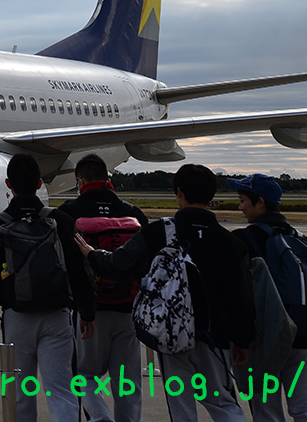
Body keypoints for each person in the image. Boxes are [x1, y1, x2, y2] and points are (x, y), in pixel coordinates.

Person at [77, 163, 254, 422]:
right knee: (223, 403)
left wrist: (93, 255)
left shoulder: (161, 232)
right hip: (216, 337)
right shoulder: (231, 242)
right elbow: (242, 297)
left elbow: (119, 266)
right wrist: (243, 338)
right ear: (211, 195)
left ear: (179, 192)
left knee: (181, 407)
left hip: (173, 334)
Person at [0, 153, 96, 422]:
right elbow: (78, 270)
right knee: (62, 391)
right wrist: (87, 313)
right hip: (57, 315)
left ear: (8, 183)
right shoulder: (60, 220)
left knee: (19, 393)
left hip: (17, 317)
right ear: (40, 184)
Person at [57, 154, 148, 422]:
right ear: (107, 178)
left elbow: (66, 265)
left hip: (90, 312)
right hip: (128, 310)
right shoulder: (131, 212)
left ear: (80, 180)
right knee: (128, 381)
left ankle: (99, 418)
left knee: (84, 375)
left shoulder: (69, 213)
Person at [228, 173, 307, 422]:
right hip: (302, 334)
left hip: (265, 339)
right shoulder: (298, 238)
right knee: (302, 407)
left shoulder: (244, 238)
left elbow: (237, 290)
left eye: (243, 201)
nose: (240, 207)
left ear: (259, 202)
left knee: (266, 411)